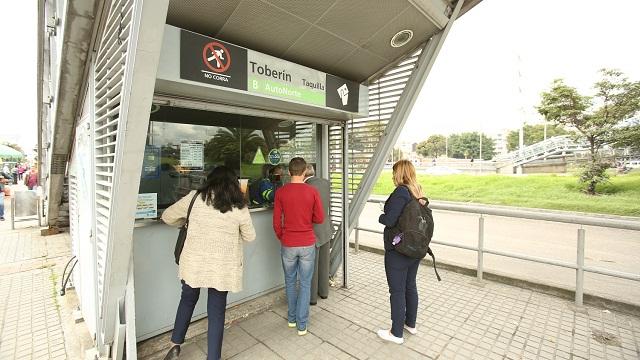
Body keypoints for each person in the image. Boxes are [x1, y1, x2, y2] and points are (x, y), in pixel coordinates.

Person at [161, 166, 256, 360]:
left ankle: (175, 345)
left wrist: (187, 223)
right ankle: (213, 357)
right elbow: (250, 236)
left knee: (187, 300)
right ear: (234, 183)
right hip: (221, 267)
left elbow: (167, 216)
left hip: (194, 264)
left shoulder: (195, 198)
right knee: (216, 311)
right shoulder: (239, 206)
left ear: (209, 180)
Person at [273, 157, 324, 336]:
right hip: (307, 243)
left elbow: (276, 221)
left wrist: (282, 236)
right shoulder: (312, 191)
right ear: (305, 172)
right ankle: (302, 325)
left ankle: (292, 319)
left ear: (289, 172)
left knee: (289, 281)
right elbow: (319, 218)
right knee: (305, 283)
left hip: (288, 243)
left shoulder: (281, 192)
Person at [377, 159, 426, 345]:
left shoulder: (401, 192)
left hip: (398, 250)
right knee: (410, 286)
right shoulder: (417, 190)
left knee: (397, 291)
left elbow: (390, 220)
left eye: (393, 172)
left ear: (399, 174)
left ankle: (396, 333)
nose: (392, 176)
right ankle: (410, 324)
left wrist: (381, 214)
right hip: (414, 248)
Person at [304, 164, 331, 305]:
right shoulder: (326, 183)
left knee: (311, 266)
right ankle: (324, 292)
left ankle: (312, 298)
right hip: (326, 228)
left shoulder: (306, 188)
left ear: (304, 174)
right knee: (324, 263)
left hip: (312, 231)